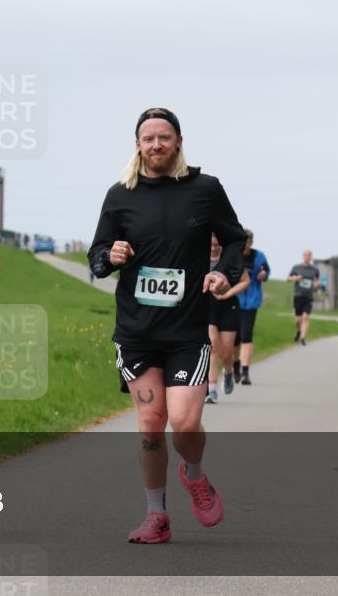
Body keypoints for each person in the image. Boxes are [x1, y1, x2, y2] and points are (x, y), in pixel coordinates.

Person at [88, 107, 246, 544]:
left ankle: (193, 474)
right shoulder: (120, 194)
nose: (156, 144)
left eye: (164, 136)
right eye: (148, 138)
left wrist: (223, 272)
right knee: (150, 422)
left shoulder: (205, 189)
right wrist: (110, 256)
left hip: (187, 332)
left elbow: (234, 238)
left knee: (185, 422)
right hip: (136, 333)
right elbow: (97, 255)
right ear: (138, 145)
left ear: (178, 141)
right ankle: (156, 515)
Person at [205, 235, 250, 403]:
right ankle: (211, 389)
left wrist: (227, 294)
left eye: (217, 245)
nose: (213, 248)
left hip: (228, 307)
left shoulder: (229, 260)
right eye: (211, 245)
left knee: (226, 352)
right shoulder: (200, 258)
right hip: (208, 307)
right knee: (212, 348)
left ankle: (229, 371)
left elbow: (245, 281)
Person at [234, 229, 269, 385]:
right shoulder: (232, 256)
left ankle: (245, 372)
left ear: (251, 242)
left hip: (251, 302)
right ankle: (235, 365)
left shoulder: (259, 256)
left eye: (247, 241)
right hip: (233, 301)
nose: (244, 245)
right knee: (234, 339)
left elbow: (266, 271)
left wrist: (264, 275)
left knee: (246, 335)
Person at [287, 250, 320, 346]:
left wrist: (316, 284)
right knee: (298, 320)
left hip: (309, 296)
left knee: (306, 317)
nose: (307, 257)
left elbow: (318, 281)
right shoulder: (296, 267)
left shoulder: (315, 269)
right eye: (306, 255)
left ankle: (303, 338)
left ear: (311, 257)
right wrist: (295, 278)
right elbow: (287, 278)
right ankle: (299, 331)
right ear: (303, 256)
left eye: (309, 256)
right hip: (298, 295)